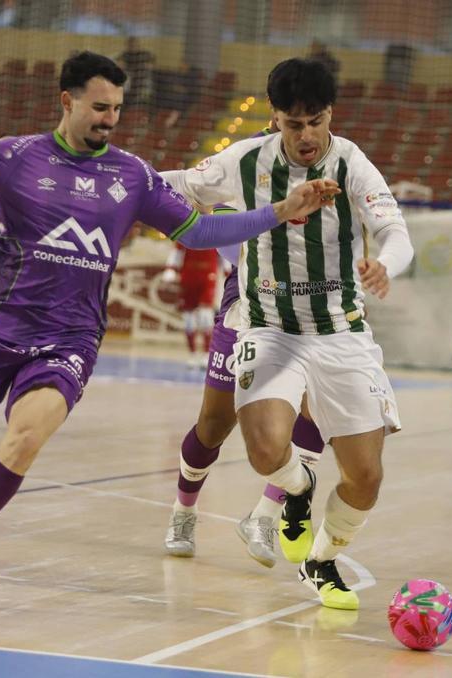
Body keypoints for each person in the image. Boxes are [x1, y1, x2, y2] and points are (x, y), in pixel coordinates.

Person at [0, 50, 340, 613]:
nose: (109, 119)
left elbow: (198, 231)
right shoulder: (15, 156)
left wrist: (278, 211)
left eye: (117, 110)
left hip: (70, 340)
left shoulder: (132, 175)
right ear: (67, 101)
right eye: (99, 107)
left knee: (24, 440)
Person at [161, 58, 413, 610]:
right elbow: (179, 185)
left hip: (340, 332)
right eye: (292, 124)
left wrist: (386, 265)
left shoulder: (353, 163)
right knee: (263, 445)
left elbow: (395, 231)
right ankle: (295, 491)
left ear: (330, 116)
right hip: (267, 324)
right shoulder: (244, 159)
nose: (305, 135)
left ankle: (321, 560)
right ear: (275, 118)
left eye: (315, 122)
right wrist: (115, 181)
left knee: (365, 477)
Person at [164, 206, 327, 566]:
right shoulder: (246, 170)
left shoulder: (332, 176)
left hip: (305, 314)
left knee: (314, 412)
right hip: (248, 306)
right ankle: (183, 512)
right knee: (214, 425)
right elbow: (219, 234)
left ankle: (264, 516)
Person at [162, 242, 219, 365]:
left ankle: (206, 354)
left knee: (206, 317)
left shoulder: (216, 228)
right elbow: (177, 252)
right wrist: (170, 268)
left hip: (208, 277)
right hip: (188, 277)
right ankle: (192, 354)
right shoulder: (188, 230)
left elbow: (225, 252)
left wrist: (229, 271)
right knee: (188, 320)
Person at [117, 37, 154, 108]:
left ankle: (134, 101)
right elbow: (119, 63)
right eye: (130, 45)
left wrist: (146, 66)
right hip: (129, 77)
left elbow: (151, 64)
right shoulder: (125, 54)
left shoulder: (145, 54)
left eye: (134, 45)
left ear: (138, 45)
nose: (133, 47)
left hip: (142, 76)